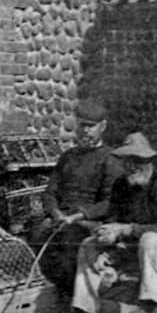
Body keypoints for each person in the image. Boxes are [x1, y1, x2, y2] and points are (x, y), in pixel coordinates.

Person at [72, 132, 157, 313]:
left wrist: (126, 229)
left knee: (150, 239)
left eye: (138, 160)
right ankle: (87, 309)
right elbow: (112, 219)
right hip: (138, 248)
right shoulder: (122, 184)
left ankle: (151, 306)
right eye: (127, 161)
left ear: (150, 161)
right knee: (88, 245)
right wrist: (106, 242)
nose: (131, 166)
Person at [28, 97, 123, 298]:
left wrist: (76, 217)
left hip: (90, 221)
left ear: (102, 127)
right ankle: (47, 293)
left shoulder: (111, 159)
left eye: (91, 127)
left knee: (70, 241)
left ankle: (72, 298)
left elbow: (110, 203)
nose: (85, 131)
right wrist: (55, 214)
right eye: (82, 126)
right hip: (62, 218)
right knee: (35, 234)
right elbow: (50, 192)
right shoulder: (68, 157)